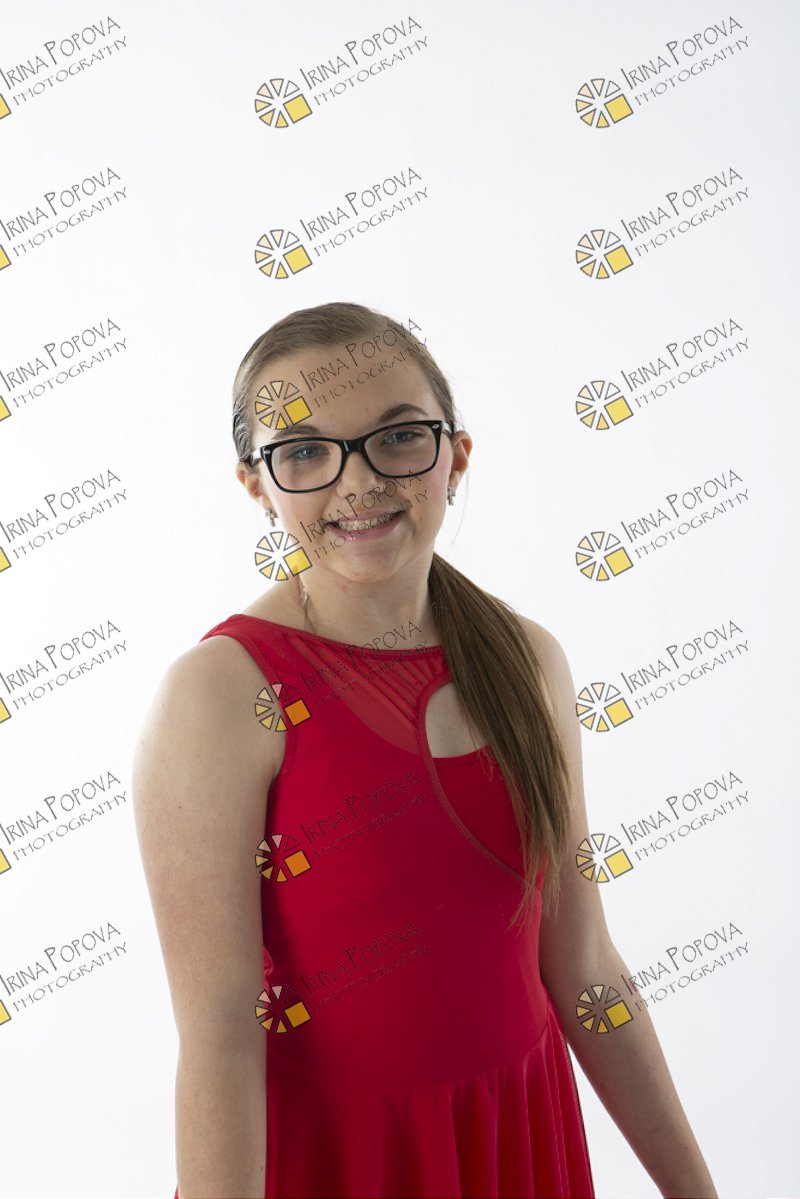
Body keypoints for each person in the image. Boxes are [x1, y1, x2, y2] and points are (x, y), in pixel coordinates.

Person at [132, 301, 719, 1199]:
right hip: (337, 1157)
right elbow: (220, 1030)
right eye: (305, 451)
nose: (358, 480)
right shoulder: (222, 695)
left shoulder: (528, 660)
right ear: (257, 484)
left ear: (457, 454)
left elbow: (586, 969)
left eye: (399, 437)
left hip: (516, 1138)